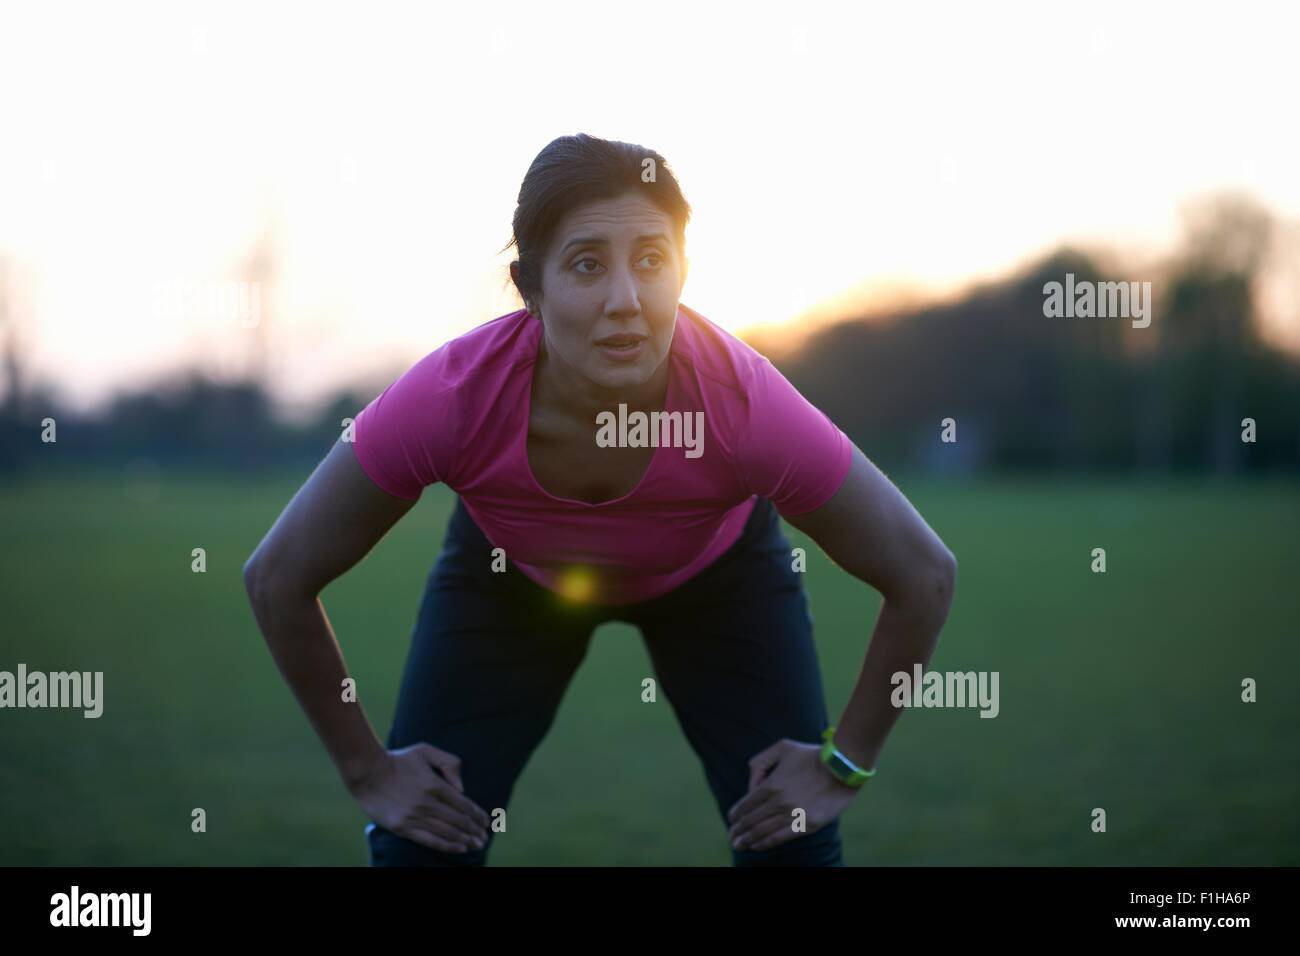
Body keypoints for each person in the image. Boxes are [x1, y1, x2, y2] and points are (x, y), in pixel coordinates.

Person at [242, 133, 957, 867]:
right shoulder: (453, 399)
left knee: (793, 838)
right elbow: (276, 577)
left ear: (683, 270)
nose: (625, 300)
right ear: (530, 287)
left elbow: (924, 573)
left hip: (720, 584)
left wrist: (845, 765)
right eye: (587, 265)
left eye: (651, 260)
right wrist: (367, 771)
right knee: (420, 838)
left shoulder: (742, 405)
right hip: (509, 582)